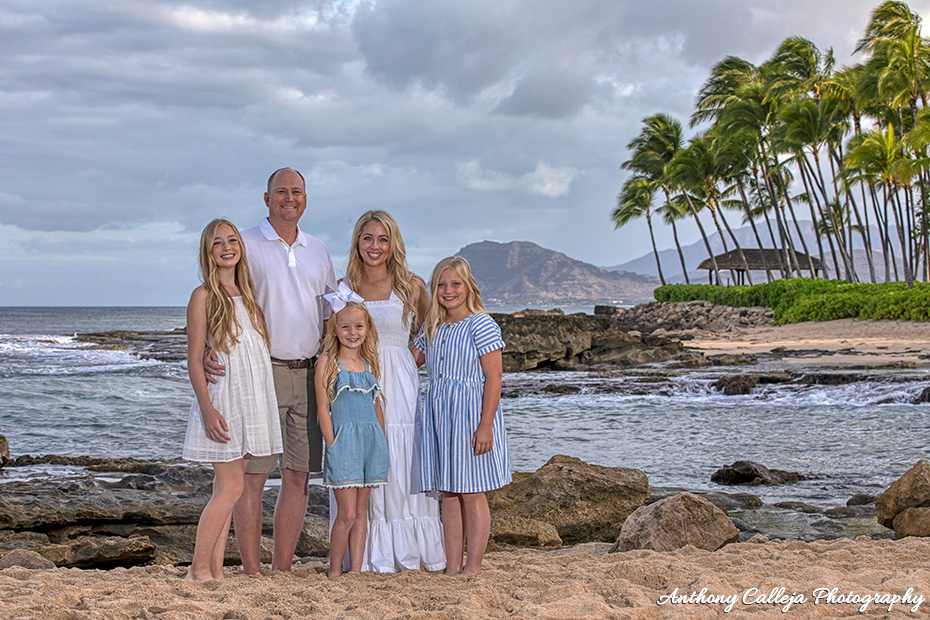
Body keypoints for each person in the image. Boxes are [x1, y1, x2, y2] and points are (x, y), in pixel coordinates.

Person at [205, 168, 336, 574]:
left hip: (311, 373)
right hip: (262, 374)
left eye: (296, 192)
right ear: (267, 198)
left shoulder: (318, 249)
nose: (289, 199)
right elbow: (218, 295)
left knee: (298, 477)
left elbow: (331, 313)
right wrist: (208, 345)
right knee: (253, 477)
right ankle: (250, 569)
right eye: (282, 192)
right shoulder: (245, 242)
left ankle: (281, 569)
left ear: (306, 200)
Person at [342, 210, 444, 572]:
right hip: (358, 382)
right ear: (358, 241)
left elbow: (435, 327)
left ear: (393, 244)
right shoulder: (345, 287)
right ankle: (366, 551)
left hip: (400, 383)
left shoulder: (411, 284)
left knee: (402, 457)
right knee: (366, 456)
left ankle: (411, 547)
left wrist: (409, 357)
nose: (375, 246)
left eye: (383, 239)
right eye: (368, 238)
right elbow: (332, 340)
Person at [182, 218, 282, 581]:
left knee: (225, 487)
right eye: (217, 243)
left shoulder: (249, 295)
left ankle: (215, 570)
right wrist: (207, 409)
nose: (227, 247)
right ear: (208, 253)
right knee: (232, 487)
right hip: (223, 400)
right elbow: (195, 357)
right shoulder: (204, 296)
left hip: (249, 398)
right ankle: (197, 570)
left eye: (232, 240)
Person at [412, 256, 511, 576]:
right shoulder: (433, 326)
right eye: (441, 285)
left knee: (471, 491)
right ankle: (452, 566)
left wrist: (486, 426)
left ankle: (474, 565)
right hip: (441, 417)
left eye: (455, 284)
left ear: (468, 286)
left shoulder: (480, 324)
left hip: (470, 417)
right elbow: (408, 361)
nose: (448, 290)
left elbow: (494, 377)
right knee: (450, 493)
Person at [315, 285, 389, 579]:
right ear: (335, 330)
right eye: (346, 327)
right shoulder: (327, 363)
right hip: (344, 444)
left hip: (371, 444)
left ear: (367, 329)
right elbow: (323, 408)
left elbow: (376, 405)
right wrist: (332, 444)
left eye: (359, 326)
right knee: (346, 514)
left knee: (362, 513)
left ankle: (355, 572)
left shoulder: (369, 363)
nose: (353, 332)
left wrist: (381, 439)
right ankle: (335, 571)